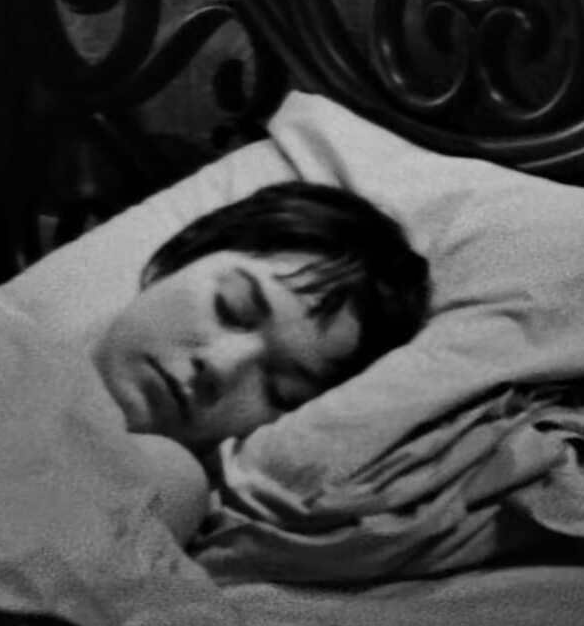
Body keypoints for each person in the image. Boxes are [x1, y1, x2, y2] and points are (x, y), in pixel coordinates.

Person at [71, 180, 432, 539]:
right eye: (231, 307)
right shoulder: (34, 350)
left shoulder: (169, 487)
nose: (220, 365)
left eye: (279, 388)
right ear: (178, 258)